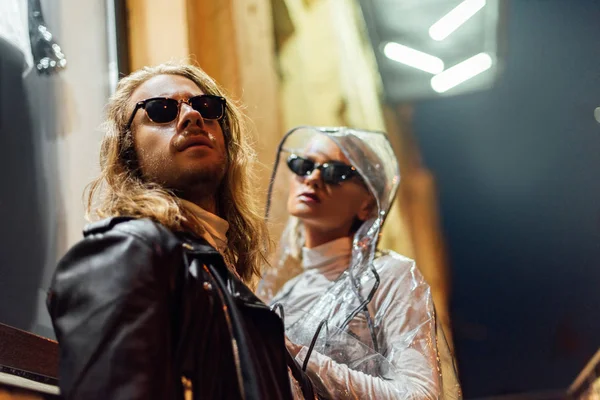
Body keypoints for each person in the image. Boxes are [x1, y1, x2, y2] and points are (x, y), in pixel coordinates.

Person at [46, 63, 319, 400]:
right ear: (130, 152)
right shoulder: (126, 250)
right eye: (161, 110)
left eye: (206, 107)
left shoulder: (215, 268)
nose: (192, 116)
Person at [259, 126, 462, 399]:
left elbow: (420, 395)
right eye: (303, 165)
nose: (313, 178)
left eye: (335, 172)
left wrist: (294, 354)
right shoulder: (286, 295)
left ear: (367, 204)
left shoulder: (390, 276)